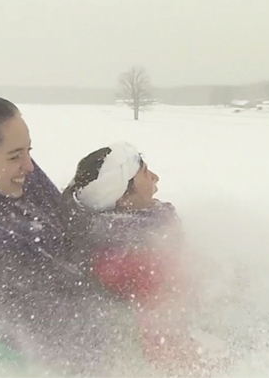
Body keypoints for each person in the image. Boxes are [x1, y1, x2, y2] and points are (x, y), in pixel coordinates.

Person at [0, 95, 137, 376]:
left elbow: (63, 217)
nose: (29, 165)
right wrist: (129, 334)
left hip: (70, 291)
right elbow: (53, 328)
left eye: (28, 150)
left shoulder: (8, 172)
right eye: (16, 155)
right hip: (36, 332)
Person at [61, 142, 220, 376]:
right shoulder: (135, 261)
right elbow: (165, 344)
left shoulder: (134, 236)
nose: (156, 178)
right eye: (145, 173)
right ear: (123, 200)